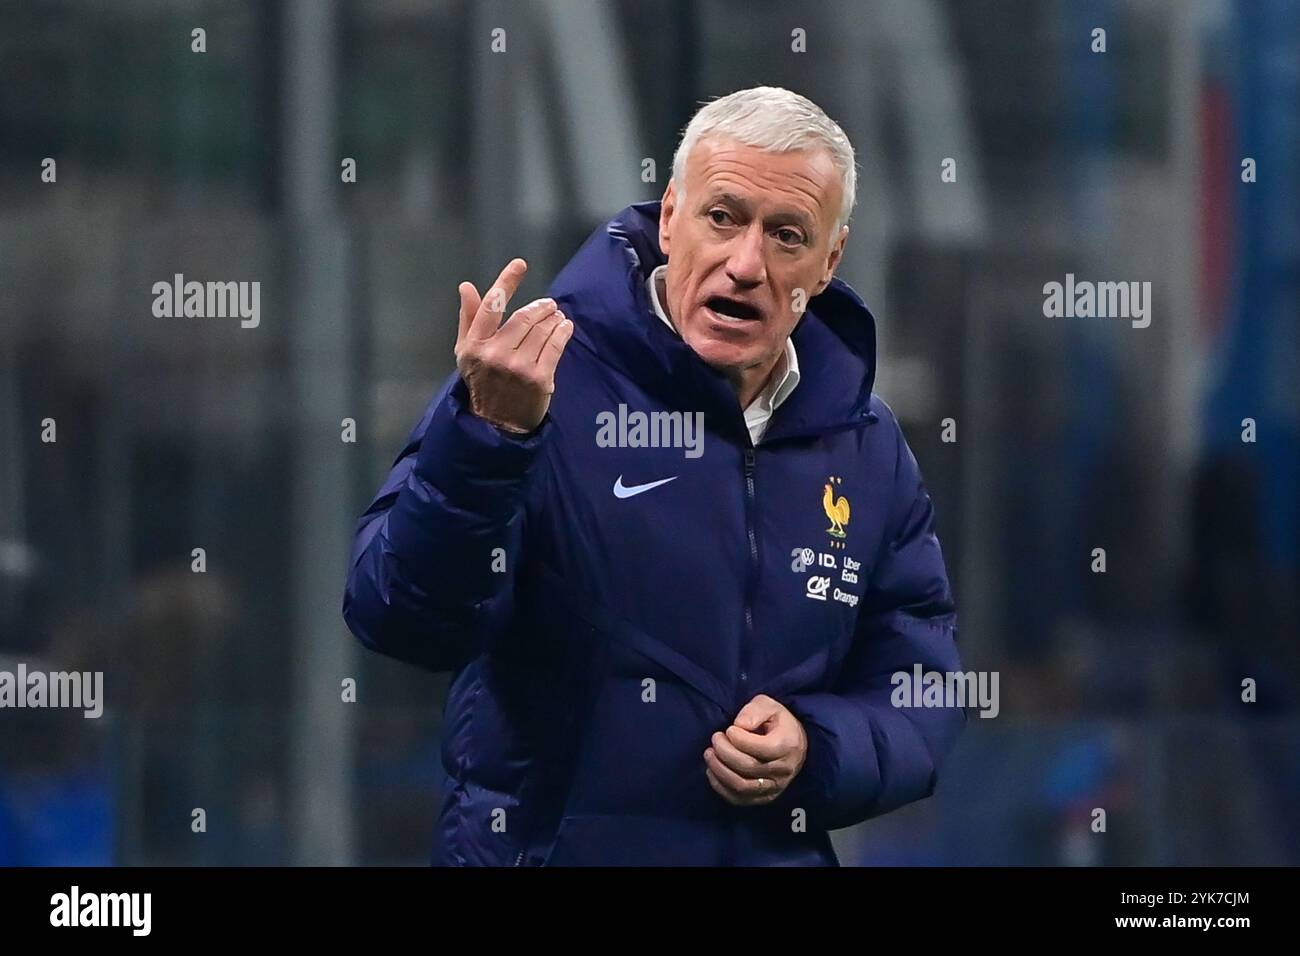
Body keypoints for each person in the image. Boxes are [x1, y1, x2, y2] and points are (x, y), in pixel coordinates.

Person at [343, 86, 965, 866]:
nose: (746, 264)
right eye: (723, 217)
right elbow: (397, 614)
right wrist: (487, 443)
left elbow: (921, 685)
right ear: (670, 217)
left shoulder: (867, 446)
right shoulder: (532, 385)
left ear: (830, 260)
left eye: (787, 235)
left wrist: (817, 745)